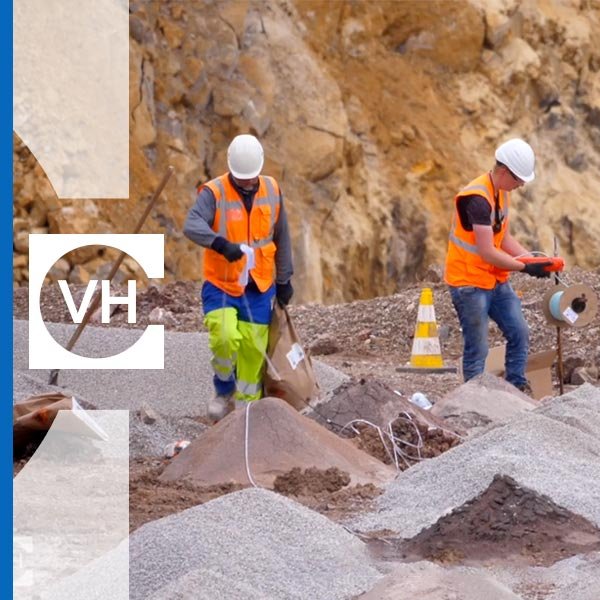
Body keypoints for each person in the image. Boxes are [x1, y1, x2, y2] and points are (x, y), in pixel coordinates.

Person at [184, 134, 294, 421]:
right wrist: (220, 244)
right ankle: (223, 390)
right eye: (241, 178)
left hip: (259, 286)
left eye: (251, 178)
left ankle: (247, 412)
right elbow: (192, 225)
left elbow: (282, 235)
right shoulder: (214, 192)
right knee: (223, 336)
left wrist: (284, 279)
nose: (247, 183)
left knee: (252, 353)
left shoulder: (271, 189)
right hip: (221, 284)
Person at [444, 138, 552, 392]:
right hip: (468, 283)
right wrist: (525, 267)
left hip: (494, 280)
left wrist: (532, 259)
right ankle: (473, 399)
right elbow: (487, 251)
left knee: (519, 332)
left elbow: (503, 238)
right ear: (503, 171)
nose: (521, 185)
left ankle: (516, 387)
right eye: (518, 179)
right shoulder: (477, 199)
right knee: (478, 347)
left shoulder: (501, 192)